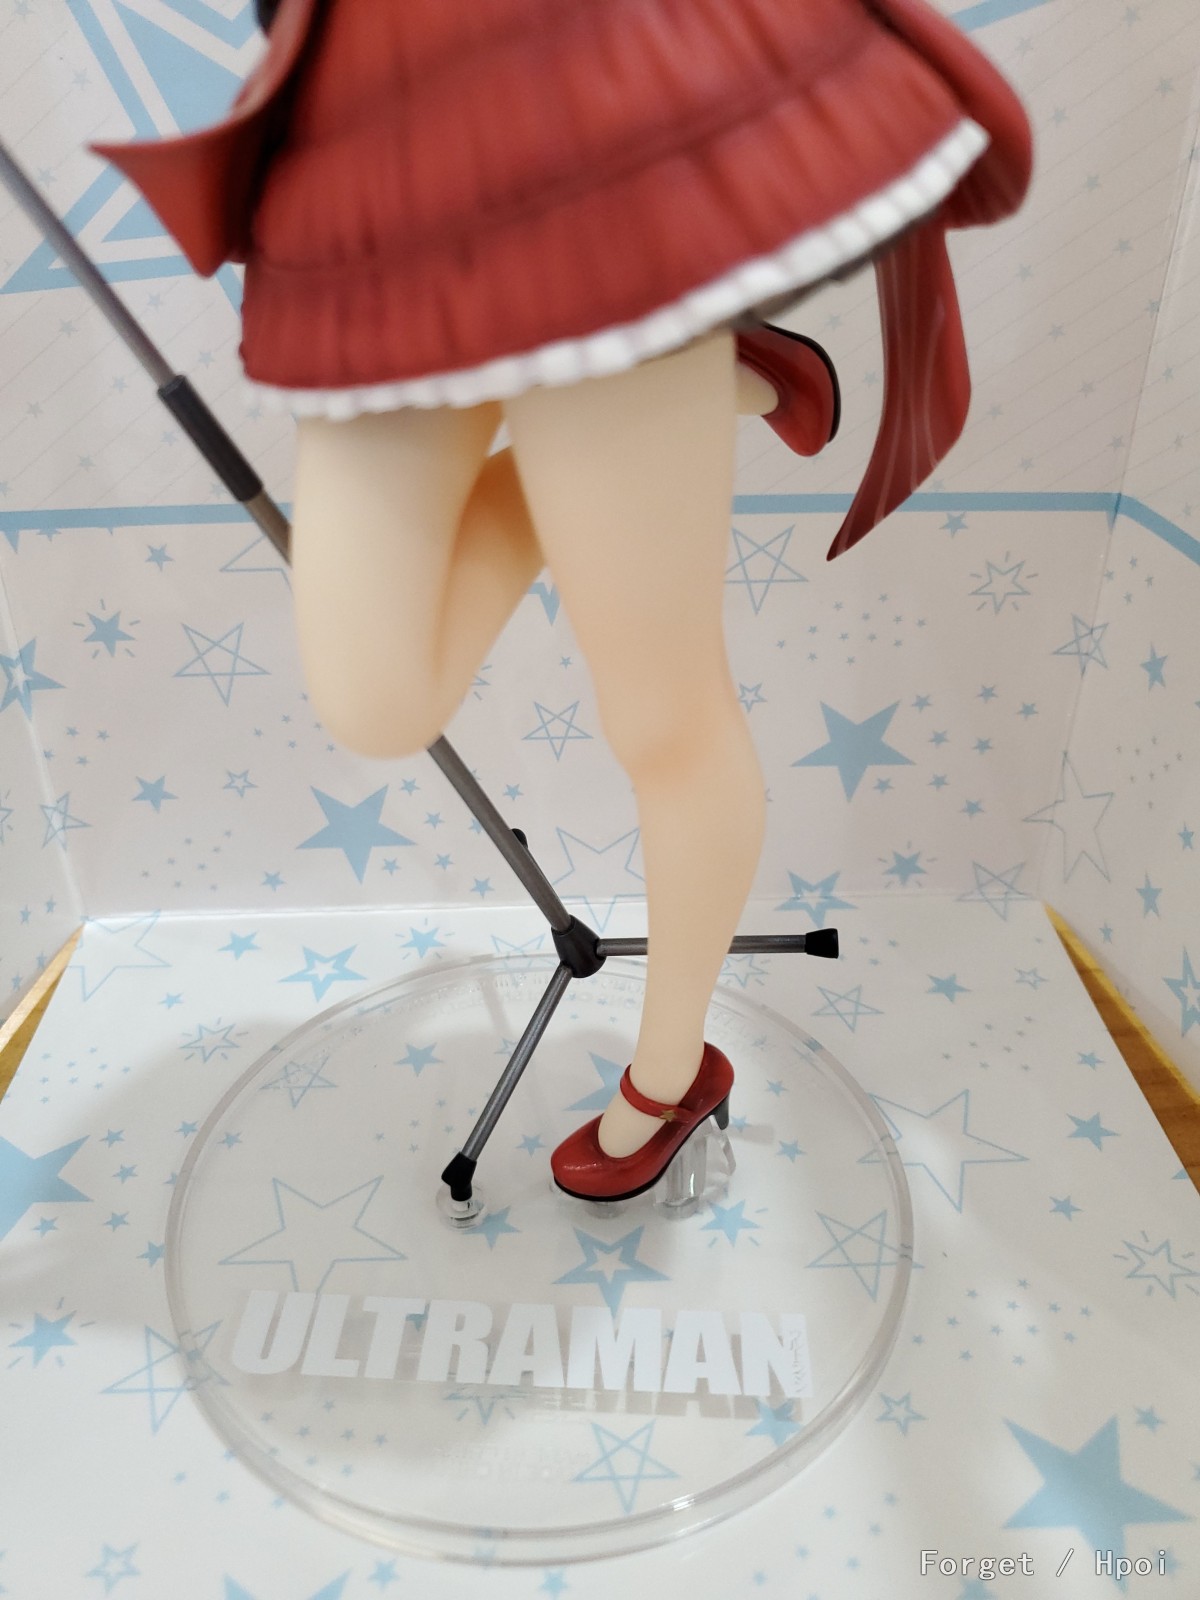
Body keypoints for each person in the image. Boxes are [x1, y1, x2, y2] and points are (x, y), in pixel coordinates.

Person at [92, 0, 1031, 1200]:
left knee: (662, 717)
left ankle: (671, 1068)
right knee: (375, 698)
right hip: (372, 154)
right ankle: (689, 408)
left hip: (593, 115)